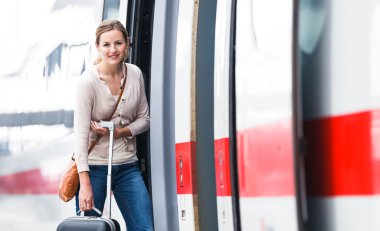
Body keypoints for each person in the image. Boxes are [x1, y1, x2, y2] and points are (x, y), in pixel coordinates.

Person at [74, 19, 154, 231]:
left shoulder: (134, 73)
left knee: (144, 228)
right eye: (107, 44)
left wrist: (120, 133)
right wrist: (85, 184)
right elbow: (80, 136)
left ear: (127, 43)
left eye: (118, 43)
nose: (113, 50)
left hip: (128, 166)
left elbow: (145, 119)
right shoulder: (87, 83)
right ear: (97, 46)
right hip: (94, 169)